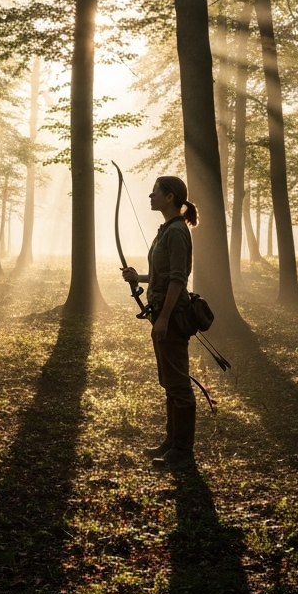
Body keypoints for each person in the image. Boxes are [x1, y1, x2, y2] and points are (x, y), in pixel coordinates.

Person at [121, 175, 198, 468]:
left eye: (155, 192)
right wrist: (138, 277)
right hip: (162, 314)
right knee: (169, 382)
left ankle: (183, 451)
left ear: (169, 197)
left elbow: (178, 278)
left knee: (178, 384)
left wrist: (164, 318)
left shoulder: (177, 231)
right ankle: (171, 443)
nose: (150, 197)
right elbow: (163, 274)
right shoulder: (166, 230)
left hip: (173, 316)